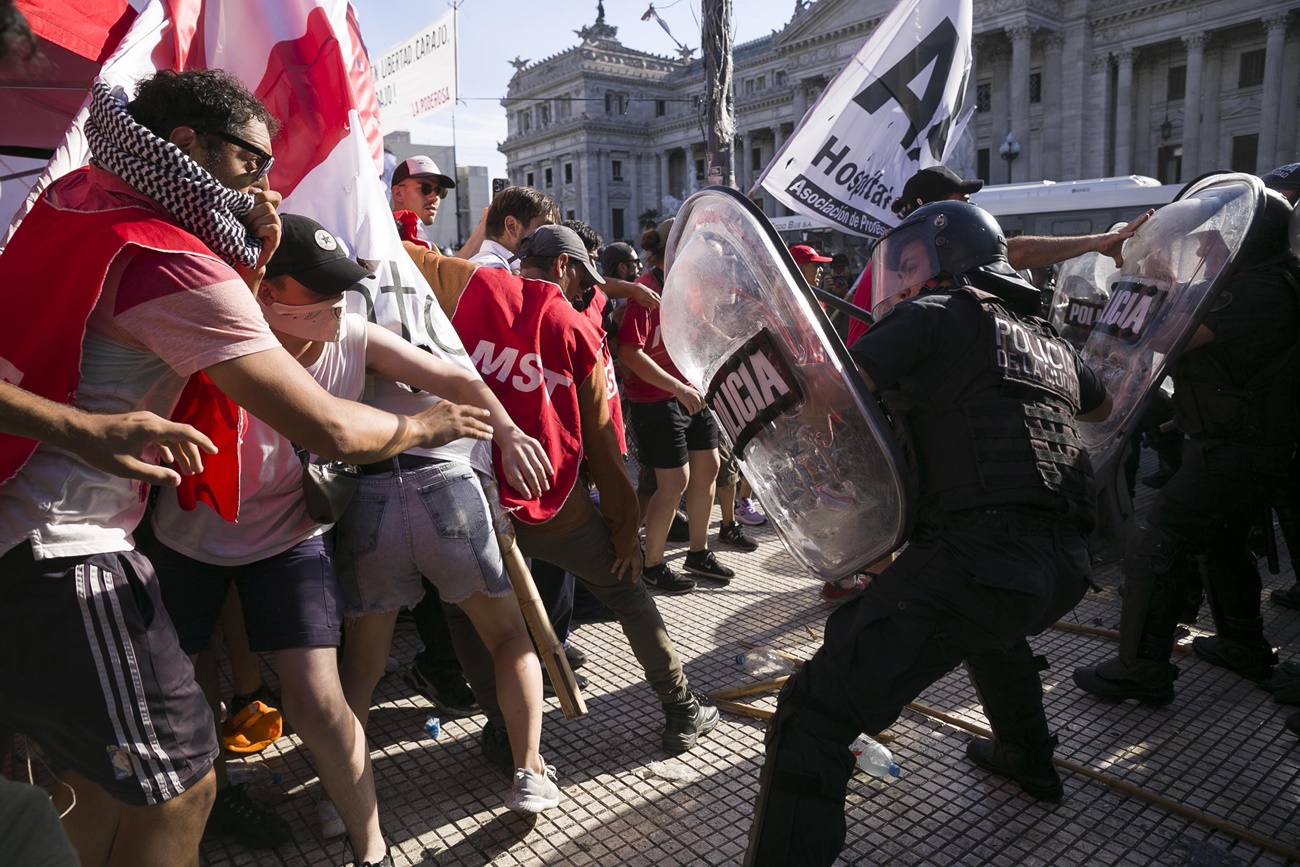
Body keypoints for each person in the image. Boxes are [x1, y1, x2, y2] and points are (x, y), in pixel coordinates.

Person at [0, 70, 483, 867]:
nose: (266, 183)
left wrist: (247, 269)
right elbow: (326, 424)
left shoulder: (68, 201)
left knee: (98, 783)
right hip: (63, 551)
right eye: (253, 162)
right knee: (184, 785)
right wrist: (428, 423)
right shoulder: (171, 259)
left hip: (40, 542)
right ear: (187, 146)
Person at [745, 200, 1111, 867]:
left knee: (811, 714)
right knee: (993, 630)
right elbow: (1102, 403)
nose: (901, 280)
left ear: (951, 259)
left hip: (978, 557)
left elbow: (833, 391)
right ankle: (1029, 760)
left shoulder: (933, 315)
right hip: (1060, 568)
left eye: (909, 263)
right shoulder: (1048, 339)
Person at [425, 224, 721, 759]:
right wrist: (625, 532)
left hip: (472, 496)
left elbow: (391, 248)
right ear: (565, 267)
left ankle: (502, 728)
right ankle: (681, 710)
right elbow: (606, 451)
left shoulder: (469, 285)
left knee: (464, 614)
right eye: (584, 277)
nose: (588, 289)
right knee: (628, 594)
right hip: (551, 503)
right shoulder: (575, 327)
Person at [1073, 188, 1300, 705]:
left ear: (1251, 242)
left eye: (1214, 243)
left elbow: (1161, 335)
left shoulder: (1259, 292)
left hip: (1240, 449)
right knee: (1219, 540)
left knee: (1158, 536)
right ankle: (1243, 644)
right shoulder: (1261, 282)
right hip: (1236, 444)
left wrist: (1149, 268)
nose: (1201, 253)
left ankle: (1141, 670)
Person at [843, 165, 1150, 346]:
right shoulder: (905, 260)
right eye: (961, 202)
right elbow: (1013, 251)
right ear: (937, 213)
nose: (971, 210)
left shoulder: (910, 256)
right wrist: (1097, 242)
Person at [620, 218, 736, 590]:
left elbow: (698, 326)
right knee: (673, 483)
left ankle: (698, 553)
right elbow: (630, 353)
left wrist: (733, 345)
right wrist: (677, 387)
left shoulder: (689, 286)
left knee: (710, 467)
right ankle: (652, 564)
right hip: (656, 397)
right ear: (677, 249)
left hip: (690, 390)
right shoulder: (645, 289)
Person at [469, 185, 559, 270]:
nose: (552, 238)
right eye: (545, 228)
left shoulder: (482, 267)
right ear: (512, 226)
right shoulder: (493, 269)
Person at [389, 155, 455, 250]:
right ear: (398, 194)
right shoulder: (382, 237)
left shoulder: (421, 239)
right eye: (425, 188)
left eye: (438, 190)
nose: (434, 197)